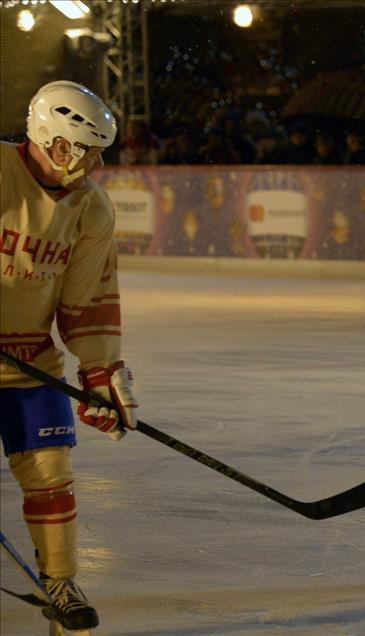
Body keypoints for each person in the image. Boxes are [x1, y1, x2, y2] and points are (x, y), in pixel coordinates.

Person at [0, 81, 138, 632]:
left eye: (95, 154)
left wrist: (101, 374)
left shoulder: (90, 207)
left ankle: (60, 580)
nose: (85, 165)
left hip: (30, 363)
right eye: (74, 150)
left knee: (52, 475)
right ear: (45, 134)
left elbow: (87, 300)